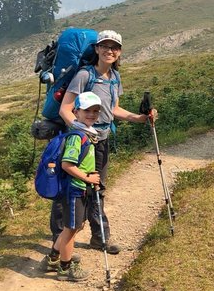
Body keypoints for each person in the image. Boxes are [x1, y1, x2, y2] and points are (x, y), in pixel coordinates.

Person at [50, 29, 157, 254]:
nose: (110, 50)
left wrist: (138, 118)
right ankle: (59, 242)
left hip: (103, 142)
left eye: (115, 47)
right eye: (105, 46)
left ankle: (100, 238)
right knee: (73, 189)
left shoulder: (115, 78)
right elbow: (65, 109)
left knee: (97, 188)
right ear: (97, 49)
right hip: (82, 143)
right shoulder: (84, 75)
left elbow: (113, 109)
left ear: (119, 52)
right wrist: (83, 131)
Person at [46, 91, 102, 281]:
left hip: (81, 187)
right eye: (87, 110)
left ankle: (53, 257)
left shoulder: (87, 134)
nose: (92, 114)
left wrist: (90, 175)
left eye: (96, 111)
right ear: (76, 111)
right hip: (74, 189)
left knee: (73, 227)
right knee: (71, 228)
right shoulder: (77, 137)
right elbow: (67, 165)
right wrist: (87, 178)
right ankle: (65, 268)